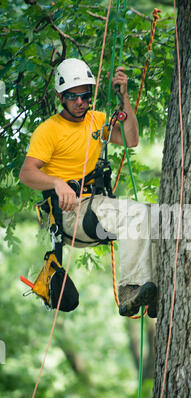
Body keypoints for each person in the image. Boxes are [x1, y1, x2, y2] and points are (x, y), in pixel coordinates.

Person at [19, 58, 157, 318]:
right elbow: (26, 174)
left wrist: (124, 98)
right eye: (73, 96)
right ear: (61, 96)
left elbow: (131, 139)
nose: (80, 102)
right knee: (135, 213)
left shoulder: (97, 121)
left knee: (161, 218)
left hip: (95, 208)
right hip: (71, 215)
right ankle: (130, 290)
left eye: (84, 95)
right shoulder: (48, 131)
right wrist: (57, 183)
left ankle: (154, 291)